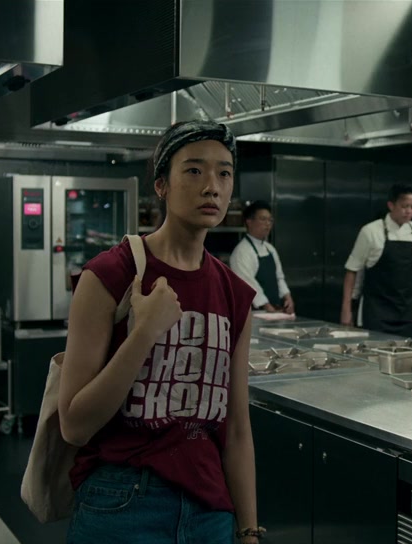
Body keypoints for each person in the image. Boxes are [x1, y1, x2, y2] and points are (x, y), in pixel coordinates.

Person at [57, 120, 262, 544]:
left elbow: (238, 430)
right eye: (194, 170)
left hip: (210, 509)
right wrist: (144, 332)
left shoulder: (235, 294)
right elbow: (74, 425)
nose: (212, 187)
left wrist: (248, 531)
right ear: (161, 185)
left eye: (224, 173)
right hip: (121, 503)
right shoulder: (110, 275)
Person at [340, 184, 412, 337]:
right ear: (391, 205)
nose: (409, 211)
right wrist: (346, 309)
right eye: (404, 206)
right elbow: (352, 270)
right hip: (376, 313)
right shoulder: (370, 231)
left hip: (407, 314)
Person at [230, 200, 295, 314]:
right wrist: (266, 305)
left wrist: (288, 297)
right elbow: (248, 284)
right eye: (263, 219)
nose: (268, 224)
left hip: (274, 311)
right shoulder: (241, 252)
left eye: (270, 220)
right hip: (254, 313)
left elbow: (279, 278)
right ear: (249, 222)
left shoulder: (270, 249)